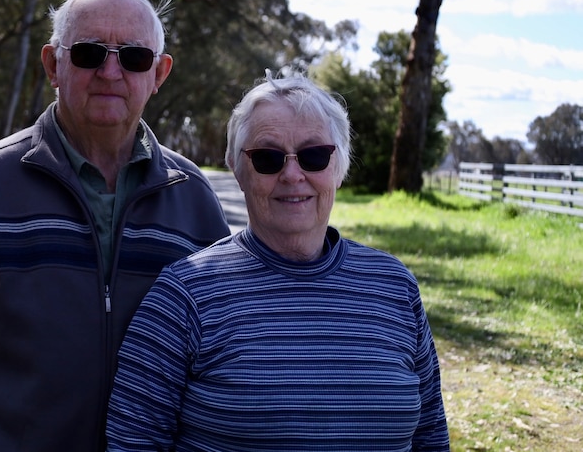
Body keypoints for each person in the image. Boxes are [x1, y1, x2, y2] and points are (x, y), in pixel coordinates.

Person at [0, 0, 231, 452]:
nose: (110, 72)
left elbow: (222, 347)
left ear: (159, 74)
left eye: (133, 56)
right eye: (88, 53)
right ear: (52, 63)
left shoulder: (194, 200)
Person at [106, 70, 450, 451]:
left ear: (339, 168)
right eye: (268, 158)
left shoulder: (395, 287)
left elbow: (430, 436)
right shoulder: (183, 297)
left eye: (314, 156)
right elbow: (133, 442)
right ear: (238, 170)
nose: (292, 174)